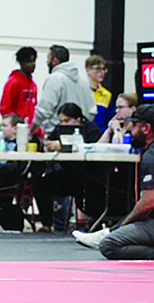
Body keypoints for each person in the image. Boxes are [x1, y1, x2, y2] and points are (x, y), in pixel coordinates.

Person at [72, 104, 154, 256]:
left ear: (146, 128)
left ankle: (109, 233)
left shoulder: (151, 157)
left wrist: (124, 225)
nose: (130, 130)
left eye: (134, 125)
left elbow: (148, 203)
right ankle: (110, 231)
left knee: (109, 245)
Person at [32, 102, 106, 232]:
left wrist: (63, 146)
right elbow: (49, 142)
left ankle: (95, 221)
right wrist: (48, 145)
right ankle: (46, 224)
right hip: (68, 174)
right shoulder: (59, 129)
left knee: (94, 186)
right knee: (39, 181)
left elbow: (92, 148)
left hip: (89, 175)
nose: (64, 124)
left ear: (78, 119)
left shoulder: (91, 130)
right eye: (61, 121)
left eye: (67, 121)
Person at [34, 45, 96, 137]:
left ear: (55, 60)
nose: (47, 62)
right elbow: (92, 111)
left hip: (56, 134)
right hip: (81, 135)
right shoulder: (84, 79)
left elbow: (44, 110)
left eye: (48, 58)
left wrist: (32, 130)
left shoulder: (54, 79)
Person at [0, 47, 38, 124]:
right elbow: (5, 108)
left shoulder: (33, 84)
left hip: (30, 127)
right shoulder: (13, 82)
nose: (33, 64)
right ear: (21, 63)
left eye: (34, 61)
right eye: (29, 61)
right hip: (18, 127)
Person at [85, 55, 112, 133]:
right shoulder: (83, 91)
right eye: (97, 69)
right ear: (88, 70)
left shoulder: (107, 94)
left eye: (103, 69)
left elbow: (108, 118)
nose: (101, 72)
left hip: (101, 133)